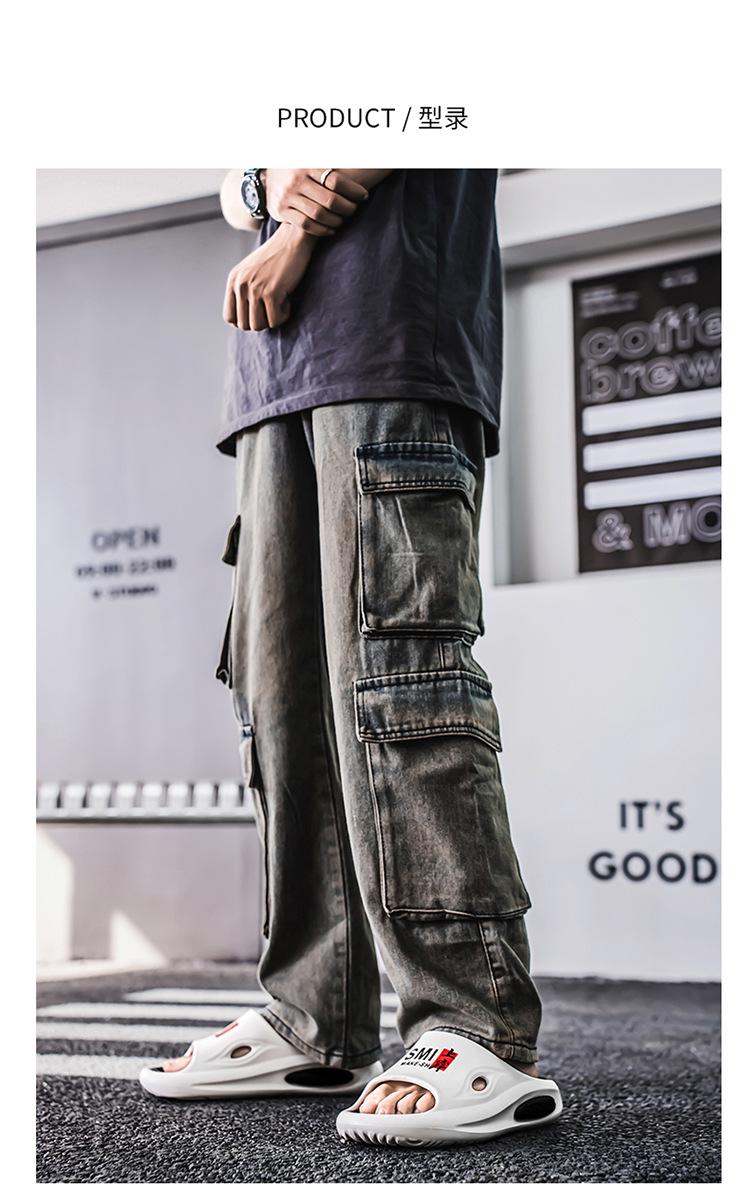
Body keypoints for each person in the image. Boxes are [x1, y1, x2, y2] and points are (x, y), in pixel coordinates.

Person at [140, 168, 562, 1147]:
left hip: (389, 339)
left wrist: (294, 222)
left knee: (399, 686)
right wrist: (262, 182)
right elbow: (232, 183)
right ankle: (314, 1013)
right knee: (280, 703)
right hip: (272, 376)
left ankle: (475, 1022)